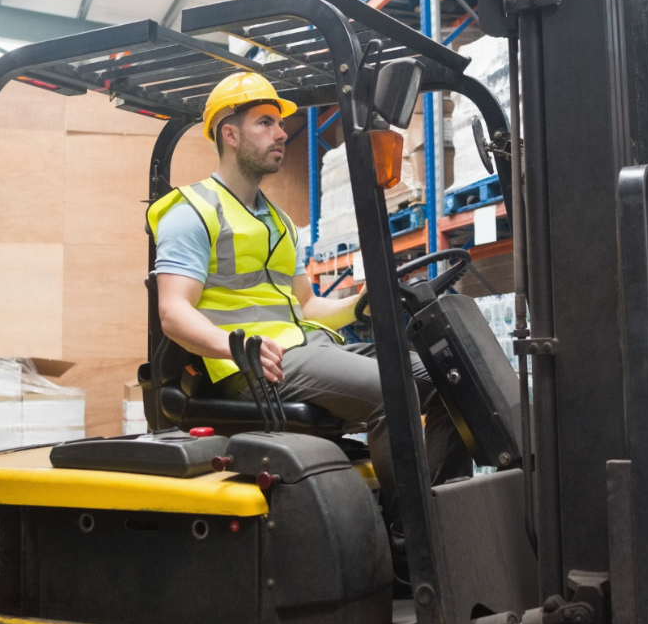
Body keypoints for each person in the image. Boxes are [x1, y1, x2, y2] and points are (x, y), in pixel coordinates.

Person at [147, 71, 472, 519]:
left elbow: (308, 306)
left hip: (303, 348)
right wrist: (235, 346)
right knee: (392, 391)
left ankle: (449, 517)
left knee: (450, 375)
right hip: (248, 366)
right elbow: (173, 311)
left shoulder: (279, 221)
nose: (281, 133)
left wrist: (362, 303)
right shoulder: (193, 212)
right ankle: (412, 536)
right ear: (230, 135)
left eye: (280, 124)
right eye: (265, 123)